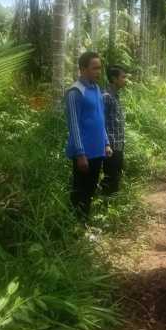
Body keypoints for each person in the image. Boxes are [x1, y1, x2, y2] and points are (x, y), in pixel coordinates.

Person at [65, 51, 113, 219]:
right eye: (95, 68)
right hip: (84, 152)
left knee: (91, 188)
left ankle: (84, 222)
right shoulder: (75, 92)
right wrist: (80, 153)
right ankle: (76, 226)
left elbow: (100, 119)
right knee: (80, 191)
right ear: (83, 69)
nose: (98, 72)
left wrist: (106, 143)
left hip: (97, 150)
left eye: (100, 68)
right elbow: (74, 125)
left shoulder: (96, 88)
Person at [101, 65, 128, 196]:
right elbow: (101, 122)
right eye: (123, 77)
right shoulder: (106, 97)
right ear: (114, 78)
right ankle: (106, 206)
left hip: (118, 145)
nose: (125, 80)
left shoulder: (116, 96)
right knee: (110, 179)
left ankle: (113, 204)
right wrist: (107, 145)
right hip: (110, 146)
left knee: (116, 177)